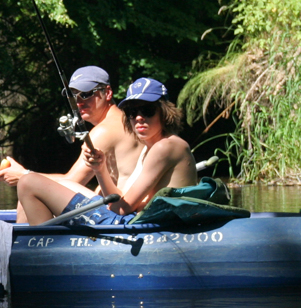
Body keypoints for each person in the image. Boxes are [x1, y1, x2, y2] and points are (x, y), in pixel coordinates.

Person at [16, 77, 197, 224]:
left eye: (147, 110)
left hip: (132, 225)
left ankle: (41, 246)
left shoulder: (166, 147)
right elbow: (119, 200)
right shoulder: (150, 149)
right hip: (127, 218)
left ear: (164, 112)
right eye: (132, 113)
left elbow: (120, 208)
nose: (139, 118)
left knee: (28, 183)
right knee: (51, 183)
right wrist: (100, 169)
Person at [0, 66, 142, 221]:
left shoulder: (103, 132)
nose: (78, 102)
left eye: (86, 94)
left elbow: (71, 181)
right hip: (124, 208)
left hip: (120, 214)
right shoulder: (125, 121)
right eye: (73, 96)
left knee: (28, 189)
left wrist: (23, 175)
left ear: (107, 92)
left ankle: (26, 236)